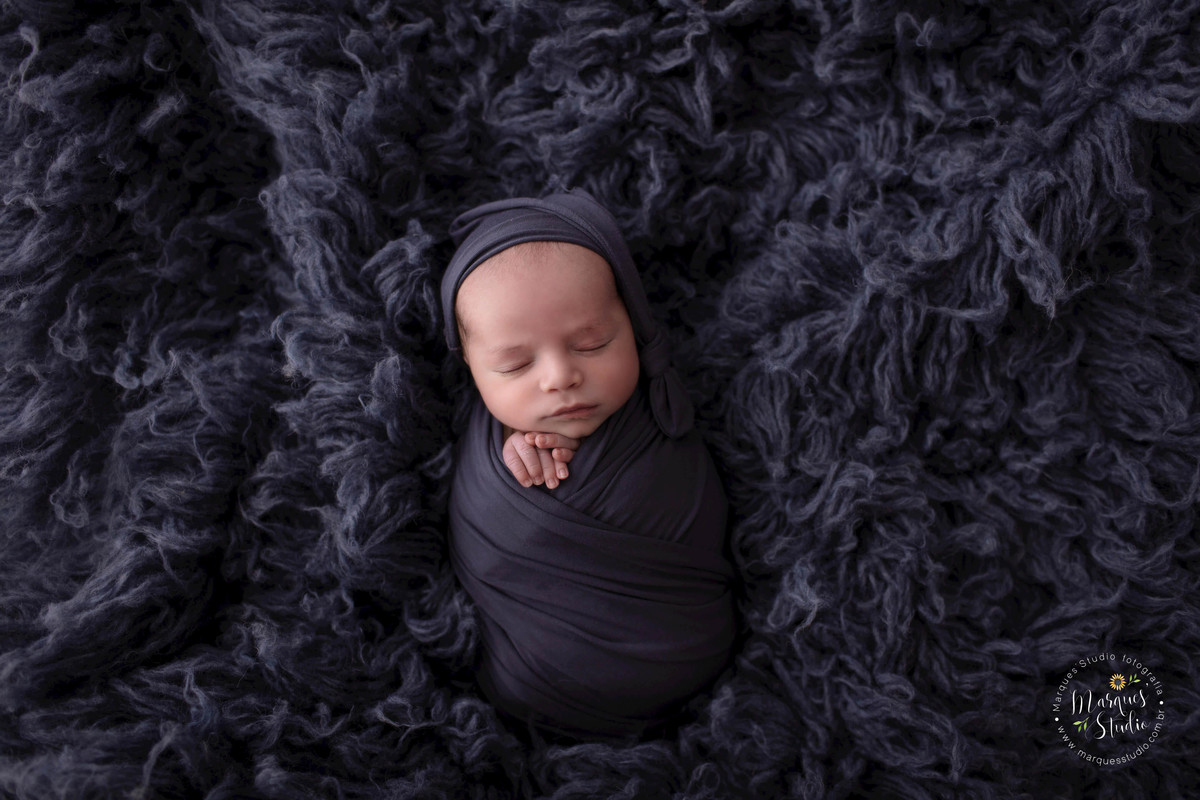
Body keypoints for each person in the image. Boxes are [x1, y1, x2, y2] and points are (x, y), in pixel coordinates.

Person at [441, 188, 737, 740]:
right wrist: (510, 455)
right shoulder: (485, 442)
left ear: (637, 326)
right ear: (472, 372)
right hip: (531, 678)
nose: (559, 376)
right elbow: (481, 534)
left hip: (680, 649)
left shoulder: (665, 417)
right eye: (514, 364)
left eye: (593, 342)